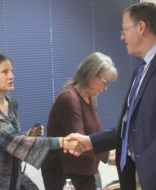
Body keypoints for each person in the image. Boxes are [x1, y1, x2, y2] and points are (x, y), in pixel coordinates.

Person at [66, 2, 156, 190]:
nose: (121, 36)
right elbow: (130, 126)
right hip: (141, 176)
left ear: (141, 27)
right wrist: (90, 141)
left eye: (124, 29)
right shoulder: (140, 70)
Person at [0, 53, 81, 190]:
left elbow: (11, 140)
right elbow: (11, 140)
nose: (12, 76)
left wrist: (28, 136)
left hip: (6, 180)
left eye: (11, 71)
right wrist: (62, 142)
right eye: (4, 72)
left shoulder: (11, 104)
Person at [41, 52, 118, 190]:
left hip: (84, 171)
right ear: (91, 74)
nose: (105, 89)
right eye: (104, 83)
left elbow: (93, 136)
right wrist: (107, 156)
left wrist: (109, 150)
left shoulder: (90, 100)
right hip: (64, 173)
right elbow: (80, 143)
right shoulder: (69, 99)